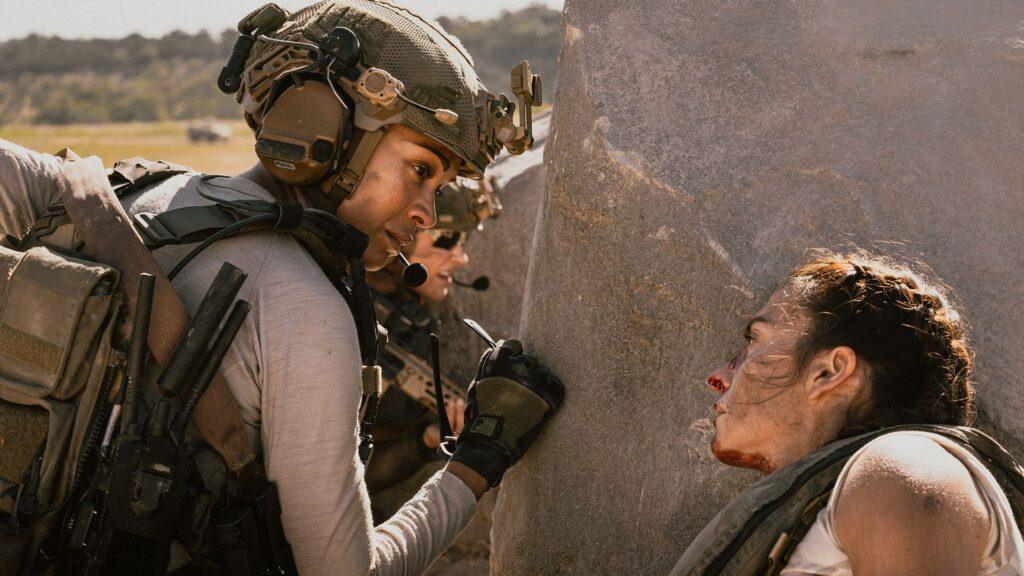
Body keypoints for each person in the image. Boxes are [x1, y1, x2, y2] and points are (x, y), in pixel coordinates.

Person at [0, 2, 561, 575]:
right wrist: (475, 462)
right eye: (421, 170)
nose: (427, 214)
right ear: (322, 124)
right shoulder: (308, 313)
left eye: (438, 188)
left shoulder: (121, 192)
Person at [676, 251, 1024, 575]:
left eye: (754, 339)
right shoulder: (864, 489)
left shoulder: (897, 472)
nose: (719, 377)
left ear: (830, 371)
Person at [364, 179, 499, 520]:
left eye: (464, 243)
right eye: (446, 241)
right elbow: (333, 483)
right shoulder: (348, 318)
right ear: (400, 243)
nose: (462, 258)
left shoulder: (431, 316)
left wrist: (425, 439)